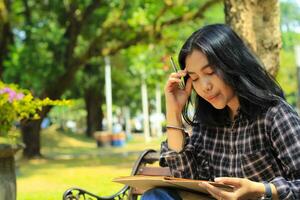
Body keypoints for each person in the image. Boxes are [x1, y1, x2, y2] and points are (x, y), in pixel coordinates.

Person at [141, 24, 300, 200]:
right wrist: (174, 111)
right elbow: (187, 178)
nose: (204, 86)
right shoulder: (206, 122)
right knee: (156, 196)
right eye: (195, 78)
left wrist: (261, 189)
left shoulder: (275, 115)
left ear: (233, 64)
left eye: (210, 72)